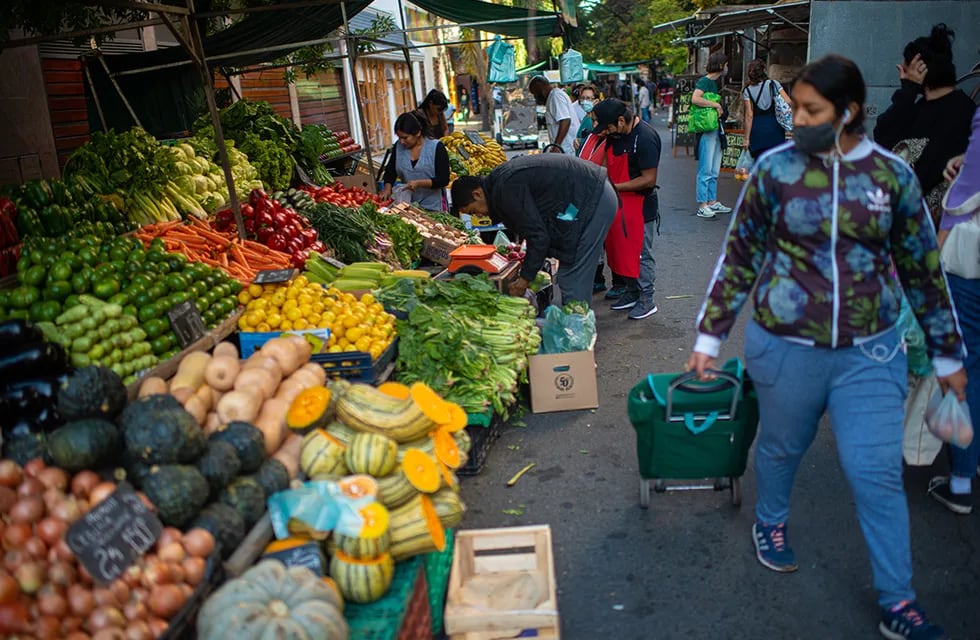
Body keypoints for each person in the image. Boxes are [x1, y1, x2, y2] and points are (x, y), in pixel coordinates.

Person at [686, 54, 964, 640]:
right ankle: (771, 521)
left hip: (872, 351)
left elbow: (922, 271)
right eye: (796, 108)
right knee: (784, 446)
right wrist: (709, 336)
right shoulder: (774, 171)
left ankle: (899, 601)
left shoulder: (891, 177)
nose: (798, 119)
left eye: (810, 110)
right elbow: (738, 256)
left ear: (849, 112)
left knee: (876, 473)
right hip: (785, 346)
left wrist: (947, 355)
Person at [450, 154, 618, 306]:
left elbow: (538, 236)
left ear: (477, 194)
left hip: (593, 197)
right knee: (569, 271)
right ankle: (575, 325)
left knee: (574, 275)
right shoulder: (499, 184)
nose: (478, 216)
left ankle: (577, 332)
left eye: (473, 211)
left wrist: (524, 280)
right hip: (586, 195)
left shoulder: (505, 189)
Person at [873, 24, 976, 225]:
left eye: (906, 67)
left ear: (920, 69)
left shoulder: (961, 112)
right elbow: (882, 137)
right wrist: (908, 91)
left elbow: (930, 170)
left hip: (933, 226)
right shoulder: (918, 106)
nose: (902, 71)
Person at [929, 107, 980, 515]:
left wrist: (935, 247)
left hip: (972, 261)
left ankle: (962, 477)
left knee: (969, 360)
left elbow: (964, 197)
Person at [592, 99, 661, 320]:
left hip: (639, 206)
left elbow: (649, 179)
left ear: (621, 120)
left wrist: (614, 187)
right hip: (618, 204)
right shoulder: (615, 136)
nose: (606, 132)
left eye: (608, 127)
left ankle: (646, 299)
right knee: (622, 251)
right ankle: (631, 291)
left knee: (640, 254)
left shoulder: (646, 139)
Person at [380, 111, 451, 212]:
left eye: (405, 137)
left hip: (433, 207)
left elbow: (443, 179)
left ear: (418, 132)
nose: (402, 142)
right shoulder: (398, 147)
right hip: (407, 206)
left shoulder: (436, 147)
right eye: (399, 137)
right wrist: (387, 189)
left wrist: (419, 183)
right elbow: (390, 171)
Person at [692, 53, 733, 219]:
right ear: (721, 64)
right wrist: (715, 104)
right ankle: (702, 205)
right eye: (726, 64)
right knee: (706, 168)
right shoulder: (705, 81)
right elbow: (695, 99)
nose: (728, 68)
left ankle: (712, 201)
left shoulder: (714, 82)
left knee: (714, 168)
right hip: (708, 129)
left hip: (715, 128)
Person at [742, 59, 793, 158]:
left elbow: (749, 115)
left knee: (759, 163)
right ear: (764, 70)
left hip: (756, 130)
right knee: (776, 162)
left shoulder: (747, 90)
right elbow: (789, 102)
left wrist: (746, 138)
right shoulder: (774, 84)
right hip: (775, 128)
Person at [528, 75, 575, 155]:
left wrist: (556, 146)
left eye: (535, 93)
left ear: (541, 88)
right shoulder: (552, 97)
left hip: (567, 149)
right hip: (563, 150)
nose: (535, 97)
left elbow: (565, 120)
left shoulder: (555, 97)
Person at [573, 85, 598, 151]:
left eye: (588, 98)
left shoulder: (596, 120)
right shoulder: (586, 117)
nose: (584, 101)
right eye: (582, 98)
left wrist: (580, 141)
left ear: (596, 101)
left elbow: (595, 141)